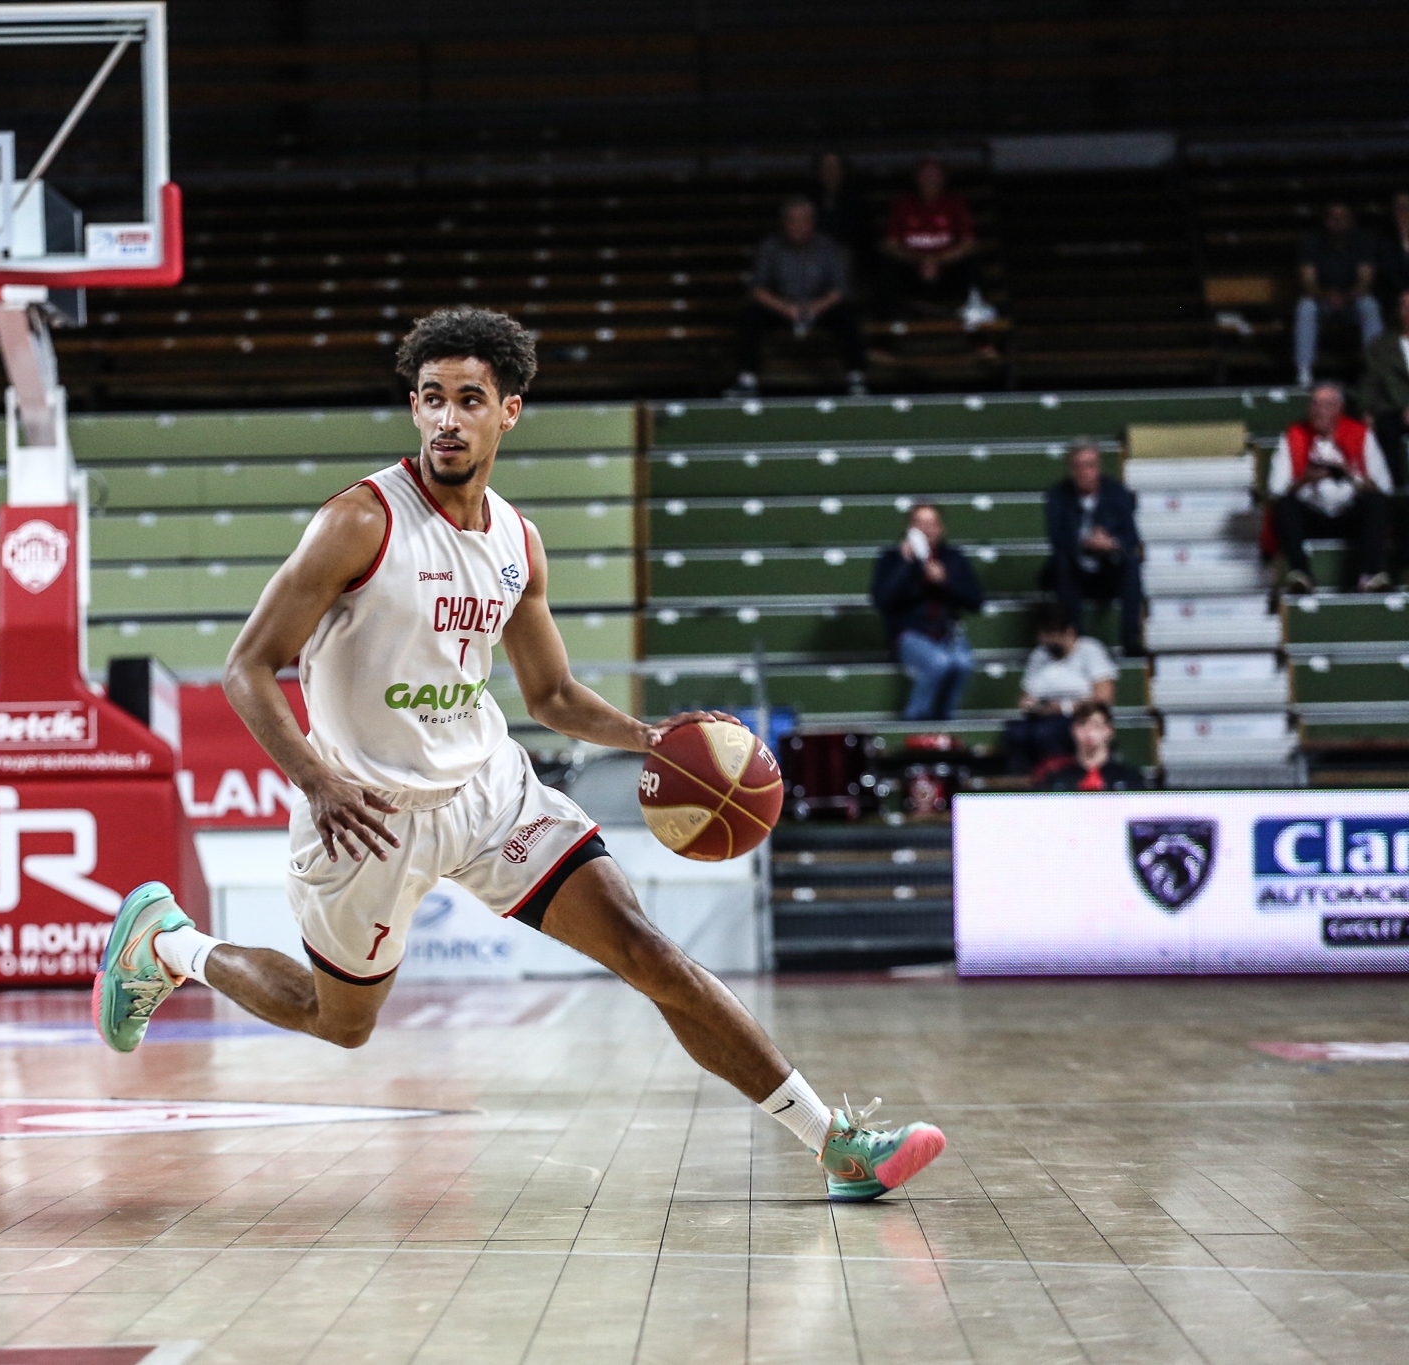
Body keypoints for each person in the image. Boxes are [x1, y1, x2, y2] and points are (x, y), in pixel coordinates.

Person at [94, 308, 946, 1204]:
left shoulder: (518, 542)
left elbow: (551, 697)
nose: (446, 420)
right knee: (336, 1020)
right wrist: (317, 777)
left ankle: (835, 1143)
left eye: (468, 399)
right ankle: (171, 944)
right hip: (365, 813)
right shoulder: (359, 521)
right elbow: (246, 667)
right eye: (430, 400)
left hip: (490, 793)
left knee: (650, 952)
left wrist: (650, 736)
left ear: (510, 411)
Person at [1266, 381, 1393, 593]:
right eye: (1314, 404)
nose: (1317, 411)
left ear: (1338, 409)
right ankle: (1301, 575)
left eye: (1324, 405)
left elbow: (1384, 487)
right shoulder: (1293, 435)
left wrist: (1349, 473)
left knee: (1376, 504)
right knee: (1285, 506)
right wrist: (1306, 478)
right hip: (1311, 514)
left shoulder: (1360, 434)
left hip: (1348, 513)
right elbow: (1276, 489)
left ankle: (1369, 576)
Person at [735, 197, 866, 397]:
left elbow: (841, 288)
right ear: (784, 222)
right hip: (782, 308)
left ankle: (856, 378)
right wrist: (785, 308)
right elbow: (757, 288)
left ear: (812, 222)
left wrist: (815, 307)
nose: (798, 226)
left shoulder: (827, 246)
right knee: (750, 316)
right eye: (792, 220)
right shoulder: (770, 247)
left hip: (819, 307)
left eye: (803, 220)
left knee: (847, 316)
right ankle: (747, 379)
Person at [871, 504, 985, 721]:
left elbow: (976, 601)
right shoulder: (892, 559)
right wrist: (906, 564)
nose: (926, 530)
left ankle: (943, 721)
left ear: (941, 528)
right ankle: (914, 721)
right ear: (909, 528)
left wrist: (946, 582)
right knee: (939, 663)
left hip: (947, 632)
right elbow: (882, 600)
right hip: (909, 633)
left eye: (932, 524)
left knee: (962, 663)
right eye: (920, 524)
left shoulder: (953, 558)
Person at [1043, 440, 1144, 656]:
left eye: (1089, 465)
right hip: (1075, 570)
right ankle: (1075, 639)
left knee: (1132, 564)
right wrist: (1084, 542)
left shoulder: (1116, 493)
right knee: (1061, 565)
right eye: (1078, 466)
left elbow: (1131, 537)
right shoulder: (1057, 496)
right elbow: (1057, 539)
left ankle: (1131, 640)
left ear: (1098, 466)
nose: (1084, 472)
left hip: (1108, 570)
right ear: (1071, 469)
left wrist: (1111, 543)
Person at [1002, 605, 1117, 774]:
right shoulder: (1039, 656)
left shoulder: (1090, 650)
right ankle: (1023, 784)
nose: (1046, 640)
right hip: (1042, 716)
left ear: (1069, 632)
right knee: (1015, 732)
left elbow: (1104, 698)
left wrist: (1062, 708)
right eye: (1043, 635)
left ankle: (1056, 779)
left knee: (1046, 733)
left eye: (1051, 634)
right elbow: (1025, 696)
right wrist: (1031, 705)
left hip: (1077, 717)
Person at [1294, 202, 1381, 388]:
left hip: (1352, 301)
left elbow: (1366, 280)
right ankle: (1304, 370)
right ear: (1326, 221)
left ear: (1351, 220)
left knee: (1370, 305)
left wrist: (1346, 297)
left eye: (1343, 218)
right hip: (1322, 301)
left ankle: (1376, 370)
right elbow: (1307, 281)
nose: (1339, 223)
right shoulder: (1312, 241)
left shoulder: (1362, 241)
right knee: (1305, 307)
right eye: (1334, 218)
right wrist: (1327, 296)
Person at [880, 159, 981, 319]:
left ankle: (974, 325)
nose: (929, 180)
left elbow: (969, 243)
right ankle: (886, 330)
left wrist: (937, 260)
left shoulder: (955, 202)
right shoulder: (902, 204)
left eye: (934, 175)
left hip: (946, 268)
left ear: (943, 178)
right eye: (925, 175)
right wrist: (920, 260)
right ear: (916, 178)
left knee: (971, 264)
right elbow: (890, 245)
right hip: (911, 268)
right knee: (885, 267)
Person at [1355, 287, 1409, 490]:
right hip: (1394, 410)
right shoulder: (1381, 346)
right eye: (1405, 307)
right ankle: (1397, 491)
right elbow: (1370, 382)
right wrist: (1366, 411)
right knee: (1384, 427)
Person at [1035, 699, 1145, 792]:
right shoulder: (1057, 780)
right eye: (1083, 724)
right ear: (1073, 730)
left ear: (1108, 730)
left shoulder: (1130, 777)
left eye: (1096, 725)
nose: (1089, 731)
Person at [812, 152, 870, 260]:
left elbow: (861, 235)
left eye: (834, 167)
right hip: (813, 252)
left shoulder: (856, 199)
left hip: (848, 253)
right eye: (825, 167)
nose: (830, 172)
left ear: (843, 170)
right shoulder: (811, 197)